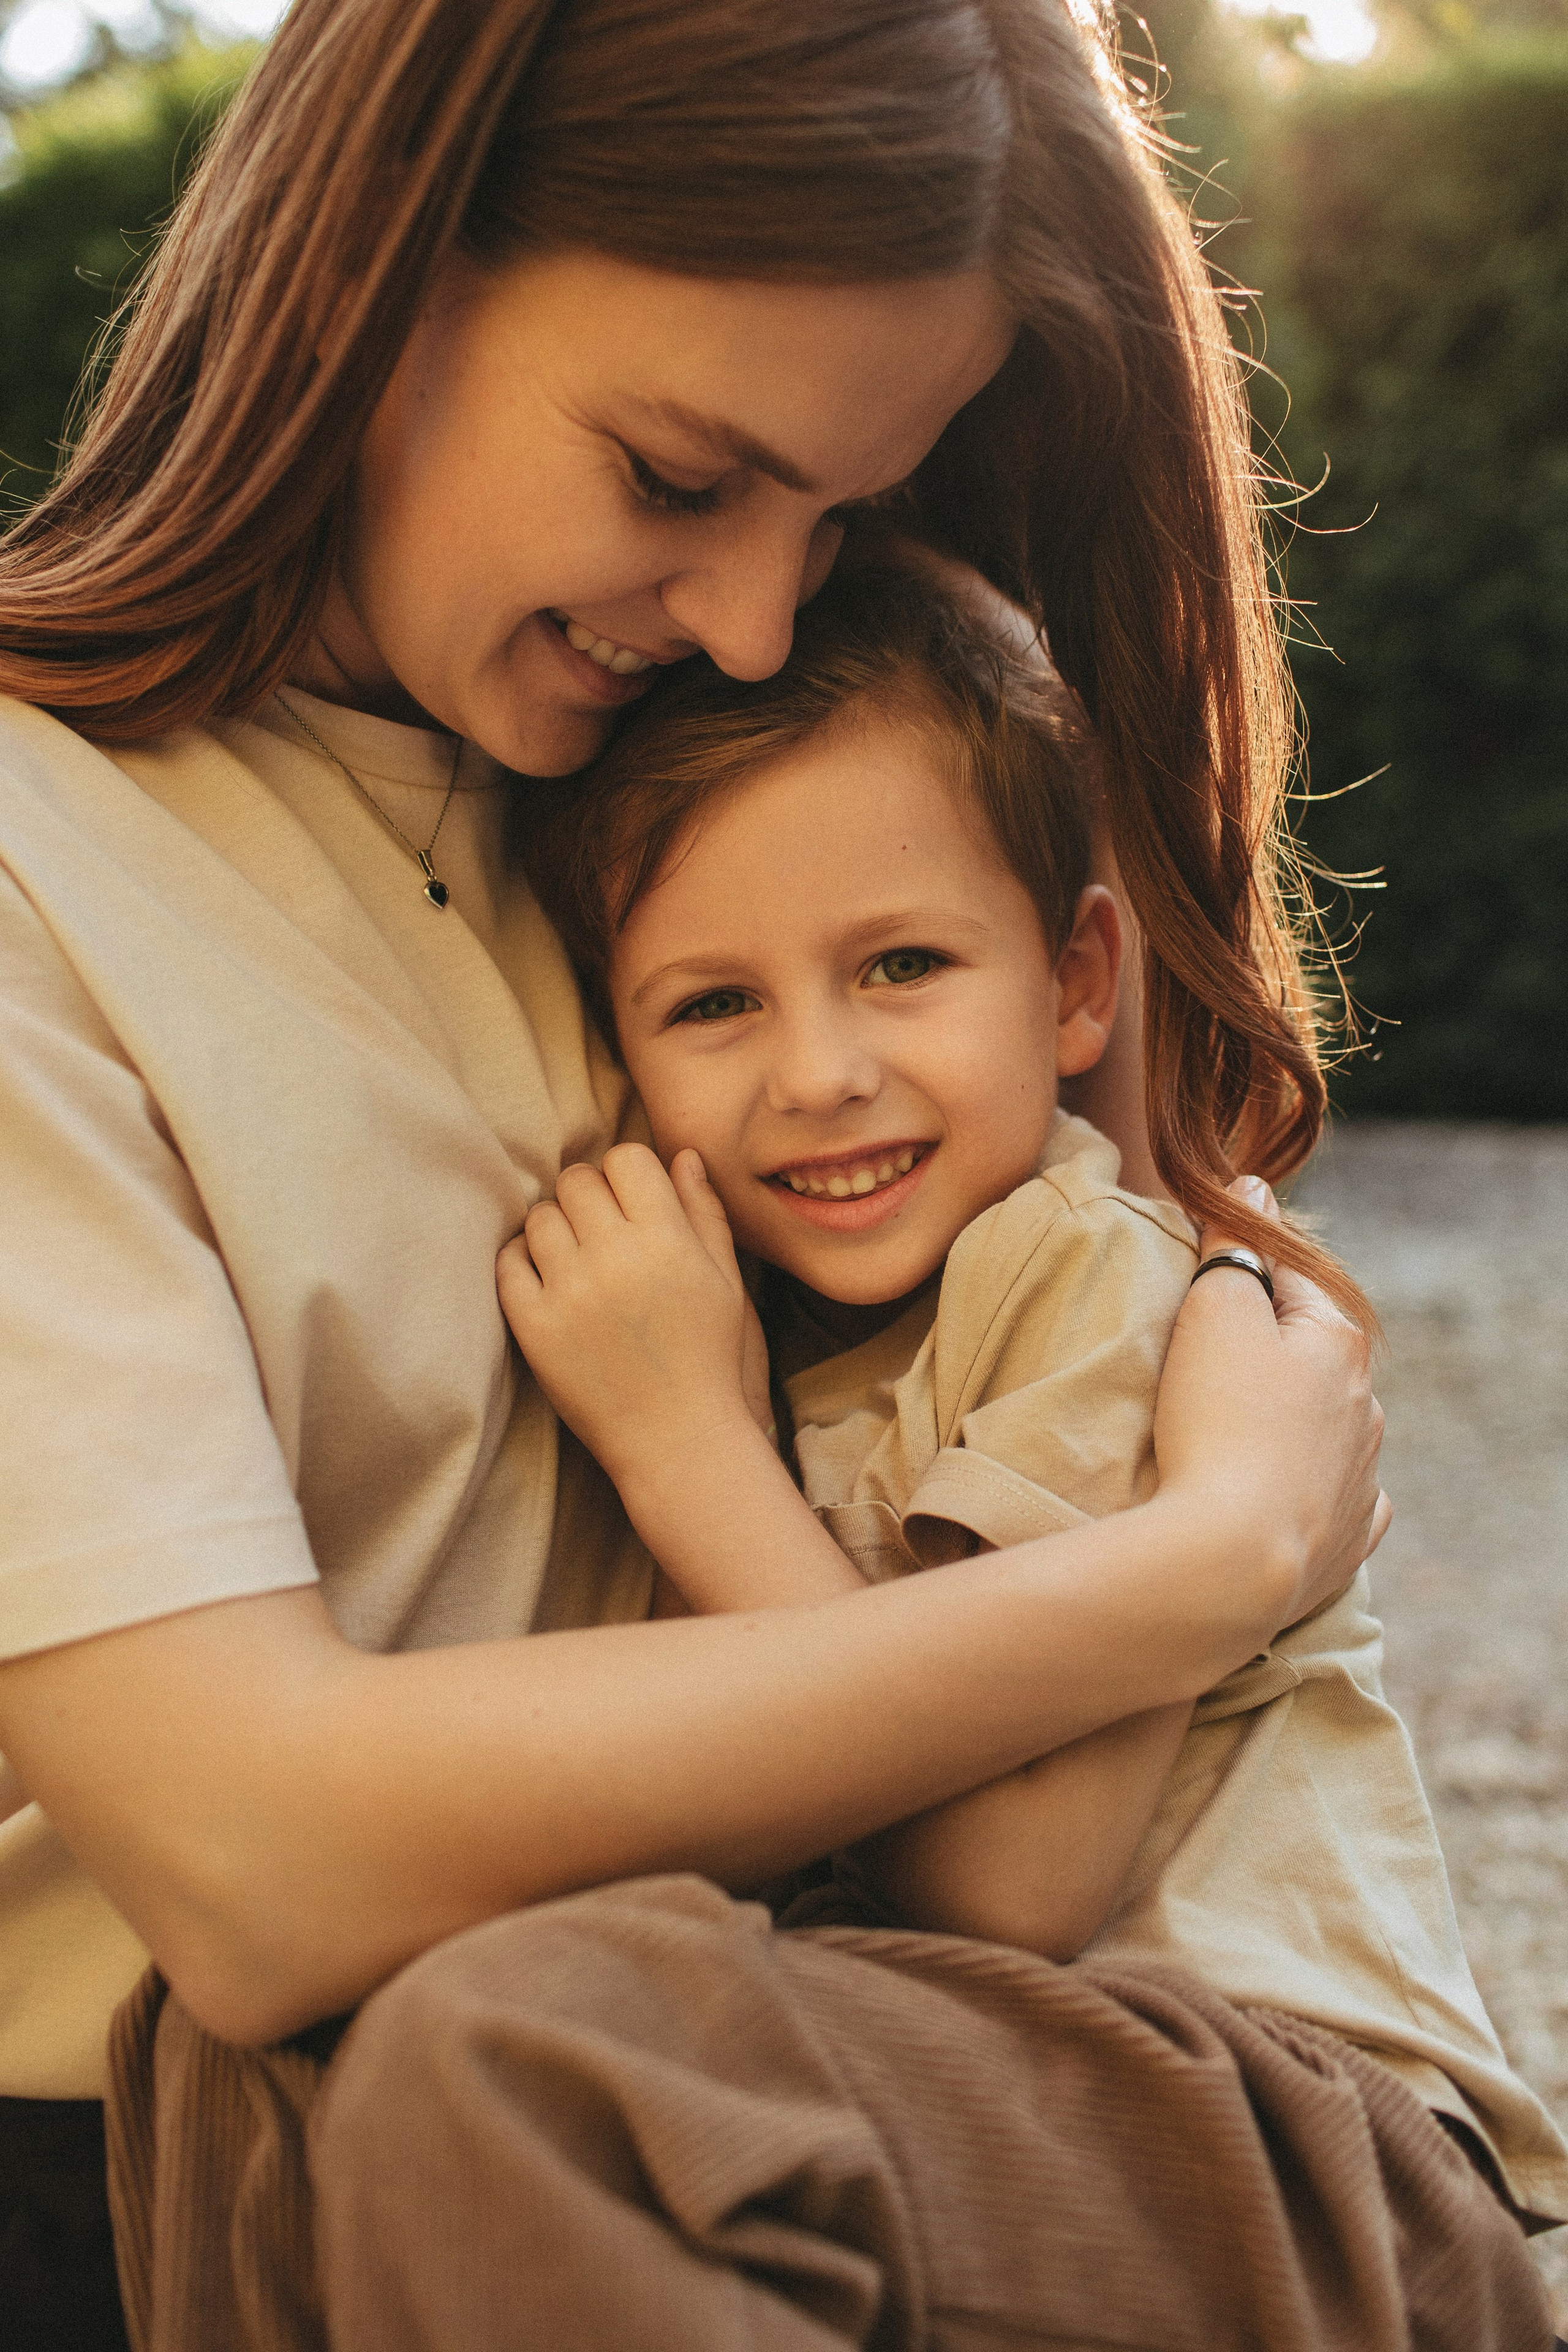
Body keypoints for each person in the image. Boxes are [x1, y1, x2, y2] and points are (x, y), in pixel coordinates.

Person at [0, 0, 1551, 2344]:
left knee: (523, 2072)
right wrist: (1209, 1555)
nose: (748, 615)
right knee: (471, 2081)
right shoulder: (62, 870)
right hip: (296, 2132)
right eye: (676, 473)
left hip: (832, 2096)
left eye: (834, 517)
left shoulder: (706, 813)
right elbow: (256, 1858)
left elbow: (1035, 1825)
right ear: (380, 270)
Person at [504, 559, 1568, 2184]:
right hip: (1039, 2094)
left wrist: (681, 1449)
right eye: (714, 1003)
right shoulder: (768, 1324)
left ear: (1076, 983)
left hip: (1291, 2122)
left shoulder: (1091, 1272)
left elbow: (1009, 1883)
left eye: (903, 967)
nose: (821, 1074)